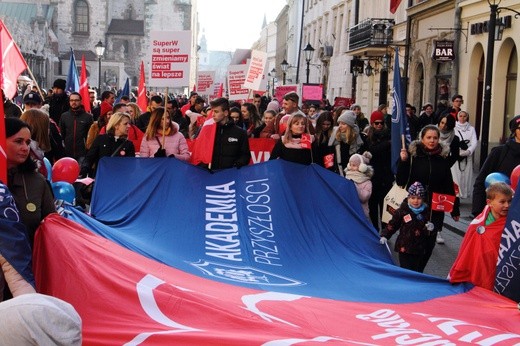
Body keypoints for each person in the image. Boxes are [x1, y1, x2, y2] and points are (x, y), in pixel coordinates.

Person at [396, 125, 460, 270]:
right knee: (411, 242)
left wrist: (454, 209)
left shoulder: (442, 159)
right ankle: (408, 273)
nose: (432, 141)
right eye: (429, 138)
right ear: (422, 139)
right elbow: (400, 181)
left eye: (435, 138)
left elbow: (448, 185)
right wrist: (403, 161)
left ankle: (419, 271)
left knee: (428, 244)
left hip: (435, 208)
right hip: (415, 207)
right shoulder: (413, 157)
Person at [449, 182, 513, 290]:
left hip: (501, 272)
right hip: (478, 270)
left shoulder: (512, 224)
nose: (507, 205)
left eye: (509, 201)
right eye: (502, 202)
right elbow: (467, 250)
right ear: (489, 202)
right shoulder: (477, 224)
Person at [5, 118, 56, 247]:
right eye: (18, 141)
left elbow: (52, 226)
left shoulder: (38, 181)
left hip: (28, 262)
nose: (25, 148)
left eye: (28, 142)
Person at [379, 182, 434, 273]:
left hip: (419, 248)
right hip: (404, 247)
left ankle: (414, 285)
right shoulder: (402, 211)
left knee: (415, 270)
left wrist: (431, 229)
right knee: (405, 270)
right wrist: (385, 235)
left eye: (419, 198)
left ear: (423, 199)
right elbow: (392, 225)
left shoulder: (426, 213)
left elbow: (428, 232)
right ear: (408, 198)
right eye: (413, 198)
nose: (415, 201)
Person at [472, 115, 520, 217]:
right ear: (514, 131)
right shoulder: (499, 152)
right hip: (498, 214)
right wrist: (478, 212)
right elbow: (481, 182)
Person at [197, 97, 251, 170]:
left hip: (231, 176)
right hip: (211, 176)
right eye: (212, 111)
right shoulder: (208, 131)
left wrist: (236, 166)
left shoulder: (240, 133)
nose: (213, 115)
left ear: (225, 113)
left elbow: (245, 156)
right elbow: (200, 152)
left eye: (216, 112)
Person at [80, 112, 135, 178]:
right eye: (125, 124)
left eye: (129, 124)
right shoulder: (101, 139)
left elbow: (131, 166)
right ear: (116, 125)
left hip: (120, 180)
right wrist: (83, 170)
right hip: (101, 179)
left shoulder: (128, 145)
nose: (129, 126)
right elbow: (89, 158)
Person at [367, 110, 393, 231]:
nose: (379, 125)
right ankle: (374, 228)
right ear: (372, 123)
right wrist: (387, 144)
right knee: (373, 205)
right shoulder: (368, 137)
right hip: (372, 176)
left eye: (381, 123)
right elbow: (371, 151)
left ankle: (384, 229)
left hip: (386, 175)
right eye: (376, 123)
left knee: (385, 205)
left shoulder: (389, 135)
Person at [328, 110, 365, 176]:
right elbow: (330, 155)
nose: (340, 126)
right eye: (339, 123)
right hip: (337, 172)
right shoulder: (335, 137)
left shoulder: (358, 138)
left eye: (343, 124)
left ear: (349, 125)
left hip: (354, 173)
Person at [59, 92, 93, 163]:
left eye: (76, 100)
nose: (74, 102)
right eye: (71, 100)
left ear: (80, 101)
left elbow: (90, 136)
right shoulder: (64, 116)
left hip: (82, 153)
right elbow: (62, 134)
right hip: (68, 152)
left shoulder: (88, 117)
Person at [452, 110, 478, 199]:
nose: (462, 118)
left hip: (467, 155)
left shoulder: (471, 128)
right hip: (456, 155)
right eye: (461, 116)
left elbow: (474, 142)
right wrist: (457, 151)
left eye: (464, 116)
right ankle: (456, 194)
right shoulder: (454, 128)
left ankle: (465, 193)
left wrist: (469, 151)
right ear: (457, 117)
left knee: (466, 176)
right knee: (456, 176)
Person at [345, 152, 373, 220]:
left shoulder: (367, 182)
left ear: (361, 167)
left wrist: (353, 185)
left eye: (354, 165)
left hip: (361, 213)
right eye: (350, 165)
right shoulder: (346, 178)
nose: (351, 167)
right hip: (349, 212)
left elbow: (364, 197)